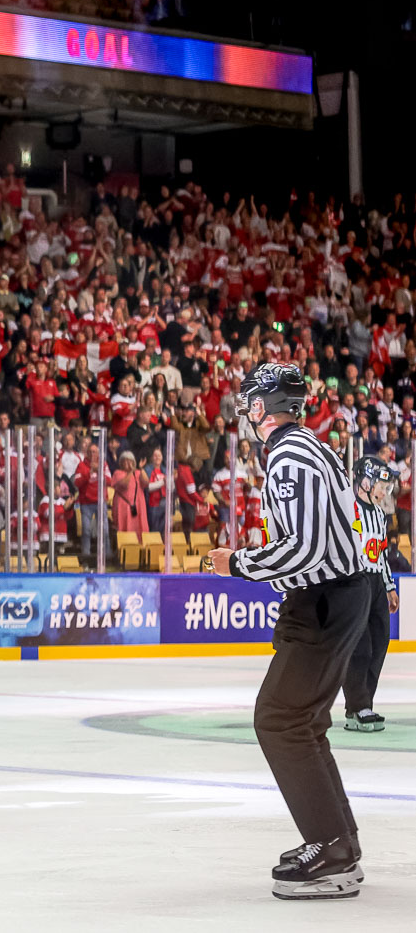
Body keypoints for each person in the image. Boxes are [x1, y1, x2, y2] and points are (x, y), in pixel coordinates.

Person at [207, 363, 369, 901]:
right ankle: (339, 840)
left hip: (324, 600)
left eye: (251, 402)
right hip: (336, 596)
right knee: (304, 722)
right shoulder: (310, 446)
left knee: (279, 718)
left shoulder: (288, 455)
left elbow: (305, 548)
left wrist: (239, 563)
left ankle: (332, 851)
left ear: (266, 405)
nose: (246, 412)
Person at [342, 457, 398, 732]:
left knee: (379, 642)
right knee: (360, 646)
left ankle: (364, 704)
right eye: (381, 485)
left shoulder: (378, 514)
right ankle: (357, 706)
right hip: (356, 581)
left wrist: (389, 586)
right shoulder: (348, 510)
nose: (384, 491)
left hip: (376, 583)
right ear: (365, 482)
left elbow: (382, 553)